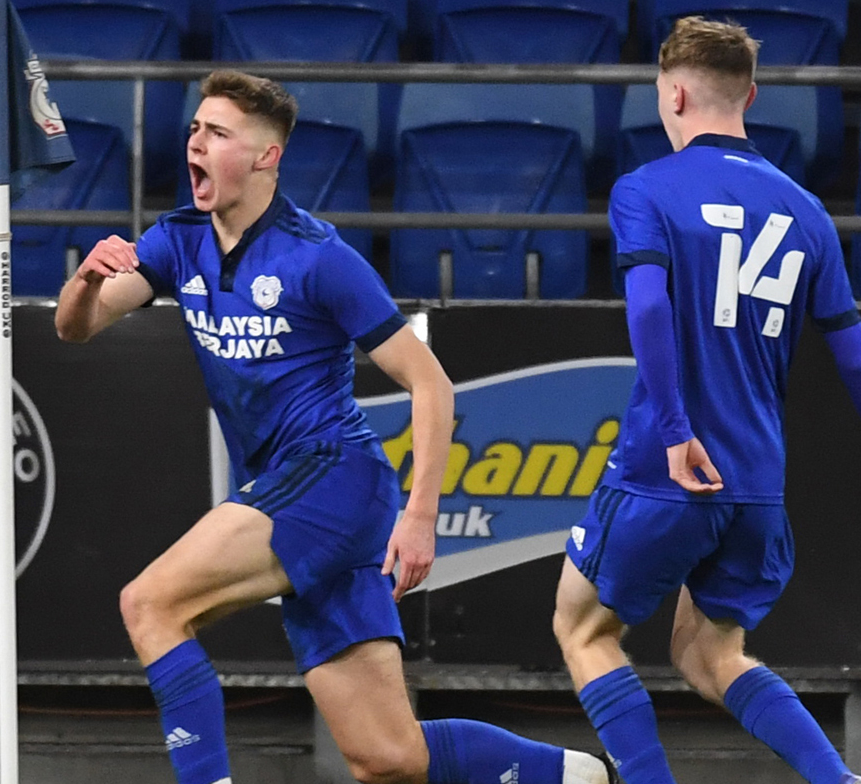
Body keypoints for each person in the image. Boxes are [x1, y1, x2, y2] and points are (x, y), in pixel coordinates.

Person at [56, 71, 616, 784]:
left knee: (151, 602)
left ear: (265, 157)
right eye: (195, 129)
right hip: (298, 495)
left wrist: (420, 518)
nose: (196, 142)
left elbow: (432, 385)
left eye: (218, 133)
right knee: (387, 757)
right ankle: (575, 776)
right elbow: (76, 328)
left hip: (332, 480)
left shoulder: (318, 257)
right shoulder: (175, 243)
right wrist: (86, 280)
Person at [551, 17, 861, 784]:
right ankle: (839, 781)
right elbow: (854, 348)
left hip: (672, 466)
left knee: (583, 627)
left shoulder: (646, 189)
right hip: (757, 480)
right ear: (750, 94)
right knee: (710, 653)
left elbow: (650, 310)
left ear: (675, 92)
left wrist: (671, 429)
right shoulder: (805, 210)